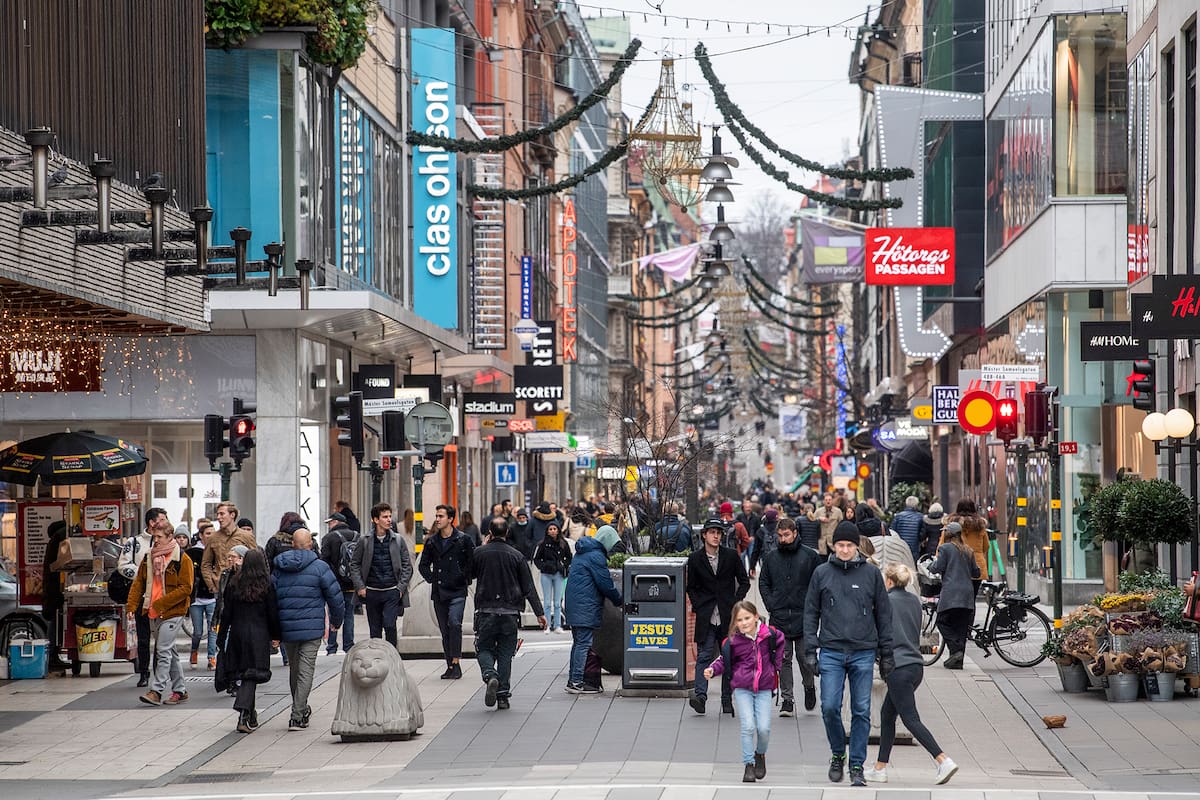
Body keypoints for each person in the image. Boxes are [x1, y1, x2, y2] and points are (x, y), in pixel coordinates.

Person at [803, 521, 894, 787]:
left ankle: (856, 764)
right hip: (831, 649)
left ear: (857, 547)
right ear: (834, 546)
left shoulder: (871, 574)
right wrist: (810, 650)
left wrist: (886, 653)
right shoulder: (821, 573)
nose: (844, 550)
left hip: (863, 651)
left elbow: (884, 615)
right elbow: (811, 612)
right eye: (840, 545)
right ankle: (837, 753)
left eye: (849, 545)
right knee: (829, 706)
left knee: (861, 710)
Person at [864, 563, 959, 785]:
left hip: (898, 668)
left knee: (910, 718)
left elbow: (879, 633)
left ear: (888, 581)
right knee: (888, 715)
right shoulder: (914, 601)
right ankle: (880, 768)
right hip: (915, 666)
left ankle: (942, 759)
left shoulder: (886, 602)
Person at [272, 529, 345, 730]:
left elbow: (271, 598)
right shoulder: (320, 567)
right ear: (310, 545)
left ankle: (301, 709)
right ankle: (297, 714)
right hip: (312, 628)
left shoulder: (279, 567)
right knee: (305, 671)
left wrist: (273, 628)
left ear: (293, 544)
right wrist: (336, 621)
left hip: (287, 628)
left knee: (295, 670)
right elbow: (335, 597)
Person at [704, 601, 783, 783]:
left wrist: (776, 666)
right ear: (735, 622)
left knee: (764, 728)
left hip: (764, 687)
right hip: (742, 688)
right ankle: (748, 765)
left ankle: (760, 754)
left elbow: (780, 641)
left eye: (747, 618)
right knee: (748, 726)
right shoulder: (733, 641)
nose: (744, 623)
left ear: (756, 617)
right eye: (740, 620)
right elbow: (724, 660)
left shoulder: (768, 634)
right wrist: (713, 670)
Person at [472, 516, 546, 709]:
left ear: (489, 532)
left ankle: (490, 675)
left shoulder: (479, 553)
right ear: (507, 532)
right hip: (510, 612)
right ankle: (503, 696)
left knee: (484, 647)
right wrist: (539, 613)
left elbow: (468, 574)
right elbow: (528, 587)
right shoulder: (516, 555)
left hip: (486, 609)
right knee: (506, 653)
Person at [126, 519, 194, 707]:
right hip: (153, 611)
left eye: (159, 537)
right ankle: (180, 691)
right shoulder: (149, 557)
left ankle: (156, 690)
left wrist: (162, 603)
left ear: (169, 537)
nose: (155, 540)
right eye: (153, 536)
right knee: (169, 651)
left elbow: (186, 588)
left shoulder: (182, 559)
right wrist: (131, 606)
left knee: (162, 650)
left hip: (173, 611)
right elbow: (139, 583)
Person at [687, 517, 751, 716]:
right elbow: (691, 588)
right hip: (707, 615)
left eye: (719, 533)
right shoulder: (696, 559)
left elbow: (744, 581)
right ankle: (700, 696)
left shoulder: (731, 556)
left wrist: (735, 602)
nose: (716, 536)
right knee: (704, 656)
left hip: (727, 616)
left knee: (728, 658)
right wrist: (699, 605)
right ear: (704, 535)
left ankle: (726, 699)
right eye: (712, 532)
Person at [757, 517, 820, 715]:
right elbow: (763, 582)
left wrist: (813, 607)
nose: (783, 539)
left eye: (786, 535)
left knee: (804, 658)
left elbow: (818, 583)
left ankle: (809, 686)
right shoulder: (771, 557)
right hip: (780, 615)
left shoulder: (809, 556)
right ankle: (787, 699)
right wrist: (771, 604)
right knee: (783, 659)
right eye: (780, 535)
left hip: (803, 615)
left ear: (794, 533)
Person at [219, 549, 279, 733]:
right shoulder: (267, 584)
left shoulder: (234, 583)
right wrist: (276, 636)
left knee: (246, 672)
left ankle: (251, 715)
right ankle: (244, 713)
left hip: (238, 633)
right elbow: (272, 613)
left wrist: (221, 636)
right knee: (252, 674)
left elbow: (226, 612)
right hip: (259, 634)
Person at [418, 504, 475, 679]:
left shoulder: (463, 539)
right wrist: (432, 578)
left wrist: (463, 577)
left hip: (457, 590)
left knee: (454, 623)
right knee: (445, 629)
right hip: (440, 590)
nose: (437, 519)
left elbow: (472, 562)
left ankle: (456, 662)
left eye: (441, 516)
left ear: (450, 519)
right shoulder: (432, 541)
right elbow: (423, 565)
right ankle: (449, 664)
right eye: (436, 516)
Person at [564, 524, 622, 693]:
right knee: (583, 643)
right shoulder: (596, 556)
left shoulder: (583, 553)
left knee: (578, 643)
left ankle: (572, 680)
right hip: (585, 606)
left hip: (575, 604)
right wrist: (619, 600)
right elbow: (605, 583)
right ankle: (576, 682)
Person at [352, 503, 413, 648]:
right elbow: (354, 564)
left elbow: (407, 566)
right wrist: (360, 586)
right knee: (375, 630)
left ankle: (392, 657)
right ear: (375, 519)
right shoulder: (364, 540)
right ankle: (377, 658)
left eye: (390, 516)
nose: (389, 520)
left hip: (392, 591)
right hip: (371, 592)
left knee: (390, 625)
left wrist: (400, 588)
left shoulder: (397, 540)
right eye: (385, 517)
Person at [118, 508, 166, 687]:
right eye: (162, 519)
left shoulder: (167, 541)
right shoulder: (135, 542)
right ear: (152, 523)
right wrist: (144, 573)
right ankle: (143, 672)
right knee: (144, 637)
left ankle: (159, 673)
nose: (165, 522)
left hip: (161, 597)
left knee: (162, 638)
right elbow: (123, 565)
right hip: (141, 596)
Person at [929, 521, 981, 670]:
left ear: (949, 534)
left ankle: (956, 649)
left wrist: (930, 565)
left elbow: (937, 567)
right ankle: (957, 660)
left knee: (942, 621)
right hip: (967, 593)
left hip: (951, 592)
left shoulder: (945, 548)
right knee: (961, 627)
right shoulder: (968, 550)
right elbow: (976, 572)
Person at [320, 512, 359, 654]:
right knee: (349, 614)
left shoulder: (328, 538)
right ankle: (348, 645)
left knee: (334, 613)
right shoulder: (357, 536)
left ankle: (332, 646)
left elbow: (323, 561)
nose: (329, 525)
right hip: (352, 582)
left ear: (336, 522)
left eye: (330, 522)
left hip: (334, 583)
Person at [201, 503, 256, 599]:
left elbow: (255, 561)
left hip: (242, 586)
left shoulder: (246, 536)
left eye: (222, 514)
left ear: (232, 515)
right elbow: (206, 564)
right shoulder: (213, 537)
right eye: (217, 514)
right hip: (220, 587)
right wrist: (211, 586)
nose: (219, 517)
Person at [185, 522, 217, 669]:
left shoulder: (217, 550)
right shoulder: (192, 553)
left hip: (212, 597)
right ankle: (194, 651)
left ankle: (212, 657)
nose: (212, 536)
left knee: (213, 629)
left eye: (213, 533)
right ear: (201, 535)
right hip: (196, 599)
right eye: (208, 533)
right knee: (197, 632)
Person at [533, 519, 572, 633]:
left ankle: (558, 625)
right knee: (547, 601)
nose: (553, 531)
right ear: (547, 531)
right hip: (546, 574)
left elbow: (569, 557)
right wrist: (544, 566)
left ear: (558, 530)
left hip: (559, 574)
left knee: (557, 601)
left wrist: (564, 566)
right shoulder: (542, 544)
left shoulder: (563, 543)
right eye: (550, 529)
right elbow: (537, 559)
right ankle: (547, 625)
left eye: (555, 529)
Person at [41, 521, 69, 672]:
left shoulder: (54, 540)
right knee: (55, 621)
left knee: (55, 620)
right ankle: (52, 656)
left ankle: (53, 655)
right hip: (55, 587)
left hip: (52, 586)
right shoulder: (61, 538)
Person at [943, 500, 989, 585]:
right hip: (977, 565)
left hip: (955, 566)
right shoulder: (980, 525)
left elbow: (942, 545)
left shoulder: (951, 525)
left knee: (957, 596)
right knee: (973, 596)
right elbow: (986, 546)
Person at [891, 496, 925, 563]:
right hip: (914, 547)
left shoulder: (898, 516)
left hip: (900, 546)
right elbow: (922, 534)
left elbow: (892, 531)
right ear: (916, 505)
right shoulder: (920, 517)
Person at [748, 507, 781, 576]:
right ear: (776, 517)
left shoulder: (760, 531)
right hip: (780, 559)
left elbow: (756, 550)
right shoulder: (780, 529)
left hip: (765, 559)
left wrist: (752, 566)